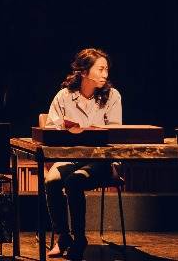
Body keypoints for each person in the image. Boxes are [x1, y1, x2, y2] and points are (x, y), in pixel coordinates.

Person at [43, 48, 122, 260]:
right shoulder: (64, 96)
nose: (105, 74)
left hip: (100, 161)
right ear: (84, 71)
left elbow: (115, 133)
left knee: (74, 181)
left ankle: (79, 239)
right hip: (71, 158)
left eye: (107, 69)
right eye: (100, 69)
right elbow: (50, 129)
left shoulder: (112, 96)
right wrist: (64, 128)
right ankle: (63, 236)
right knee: (51, 180)